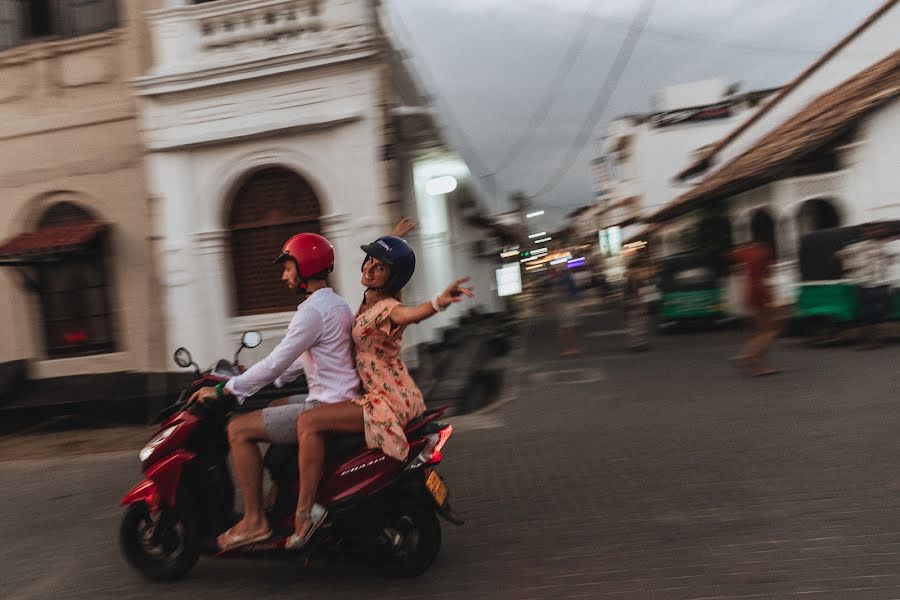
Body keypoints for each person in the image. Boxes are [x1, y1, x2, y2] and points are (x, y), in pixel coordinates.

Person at [287, 232, 474, 549]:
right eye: (369, 261)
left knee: (309, 422)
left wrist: (438, 303)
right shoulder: (368, 299)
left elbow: (410, 315)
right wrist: (394, 238)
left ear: (391, 279)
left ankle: (305, 514)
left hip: (385, 397)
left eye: (380, 268)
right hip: (383, 388)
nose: (370, 269)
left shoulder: (389, 307)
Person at [188, 232, 361, 551]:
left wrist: (228, 391)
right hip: (338, 396)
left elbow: (276, 361)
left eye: (288, 267)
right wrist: (266, 380)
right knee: (279, 403)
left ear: (305, 266)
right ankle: (278, 495)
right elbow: (307, 359)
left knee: (237, 429)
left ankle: (254, 521)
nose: (284, 275)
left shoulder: (311, 312)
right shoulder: (336, 304)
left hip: (326, 405)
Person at [838, 224, 896, 349]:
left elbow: (892, 260)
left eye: (879, 229)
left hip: (881, 284)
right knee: (867, 314)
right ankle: (868, 339)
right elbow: (841, 254)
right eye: (872, 230)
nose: (877, 231)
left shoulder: (887, 245)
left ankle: (873, 338)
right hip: (866, 284)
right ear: (865, 233)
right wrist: (851, 269)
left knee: (878, 313)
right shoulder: (859, 247)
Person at [729, 240, 780, 376]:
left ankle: (760, 366)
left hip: (748, 293)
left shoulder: (747, 253)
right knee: (769, 331)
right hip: (760, 293)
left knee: (759, 331)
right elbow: (767, 277)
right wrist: (771, 299)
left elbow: (733, 254)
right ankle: (748, 354)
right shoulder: (764, 254)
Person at [624, 256, 652, 351]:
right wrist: (642, 304)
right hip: (635, 303)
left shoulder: (630, 278)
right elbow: (639, 293)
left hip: (632, 304)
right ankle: (637, 344)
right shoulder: (635, 279)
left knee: (636, 324)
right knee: (637, 324)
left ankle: (636, 344)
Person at [552, 265, 581, 356]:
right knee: (569, 327)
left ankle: (566, 349)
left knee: (564, 327)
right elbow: (575, 290)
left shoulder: (558, 279)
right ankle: (572, 348)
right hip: (567, 303)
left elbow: (558, 291)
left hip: (562, 303)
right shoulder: (567, 277)